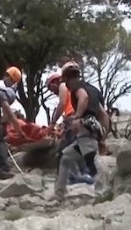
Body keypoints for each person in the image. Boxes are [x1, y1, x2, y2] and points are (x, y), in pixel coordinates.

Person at [53, 62, 110, 200]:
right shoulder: (93, 90)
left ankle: (103, 191)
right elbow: (104, 115)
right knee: (65, 157)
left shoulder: (77, 87)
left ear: (66, 78)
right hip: (93, 127)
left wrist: (77, 117)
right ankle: (59, 192)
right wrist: (103, 138)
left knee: (92, 160)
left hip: (85, 126)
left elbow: (83, 97)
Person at [46, 69, 92, 185]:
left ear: (54, 82)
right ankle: (75, 175)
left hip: (73, 118)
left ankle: (81, 174)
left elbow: (62, 103)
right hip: (72, 119)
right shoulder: (72, 90)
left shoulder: (62, 85)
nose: (52, 92)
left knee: (70, 148)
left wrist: (53, 123)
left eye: (51, 88)